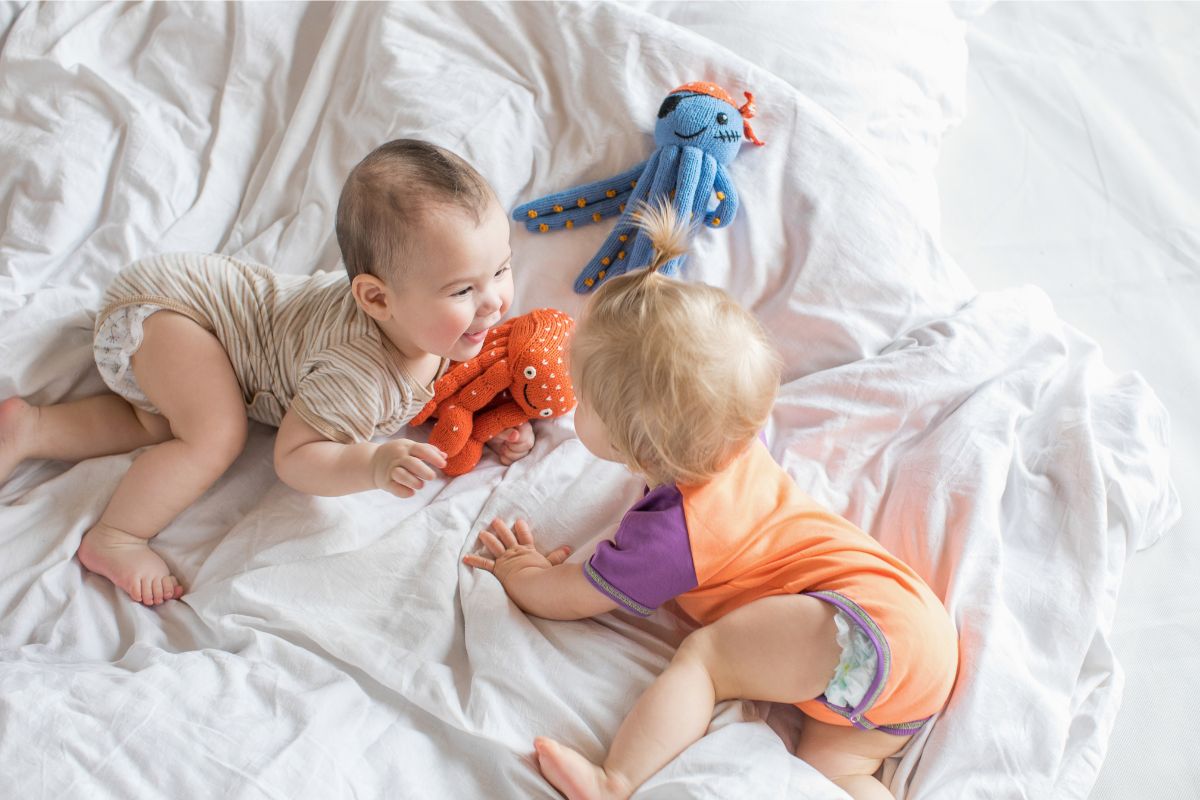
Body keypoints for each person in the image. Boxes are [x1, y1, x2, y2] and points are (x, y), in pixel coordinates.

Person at [464, 201, 958, 800]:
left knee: (707, 657)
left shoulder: (671, 537)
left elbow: (572, 597)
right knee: (836, 771)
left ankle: (615, 778)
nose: (574, 404)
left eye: (584, 401)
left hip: (861, 628)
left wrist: (524, 574)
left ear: (629, 444)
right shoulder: (741, 440)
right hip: (916, 654)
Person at [0, 139, 534, 606]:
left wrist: (494, 417)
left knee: (164, 426)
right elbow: (296, 458)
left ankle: (33, 429)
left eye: (501, 270)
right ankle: (116, 536)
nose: (493, 303)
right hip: (174, 312)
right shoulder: (356, 370)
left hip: (189, 308)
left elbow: (450, 388)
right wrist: (370, 465)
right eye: (463, 290)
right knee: (213, 436)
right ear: (375, 298)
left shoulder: (433, 326)